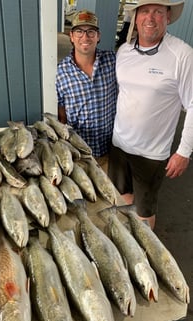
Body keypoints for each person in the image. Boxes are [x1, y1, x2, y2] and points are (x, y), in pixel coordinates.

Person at [108, 0, 193, 230]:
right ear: (136, 17)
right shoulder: (124, 51)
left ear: (168, 16)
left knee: (145, 212)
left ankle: (143, 258)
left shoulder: (182, 55)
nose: (150, 18)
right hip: (119, 144)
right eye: (144, 11)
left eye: (158, 11)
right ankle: (126, 240)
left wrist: (184, 151)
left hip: (151, 153)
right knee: (122, 196)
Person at [56, 9, 117, 166]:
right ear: (71, 36)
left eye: (91, 31)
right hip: (79, 155)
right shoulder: (59, 72)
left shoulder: (113, 61)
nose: (85, 37)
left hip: (112, 150)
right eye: (79, 31)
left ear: (98, 36)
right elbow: (61, 117)